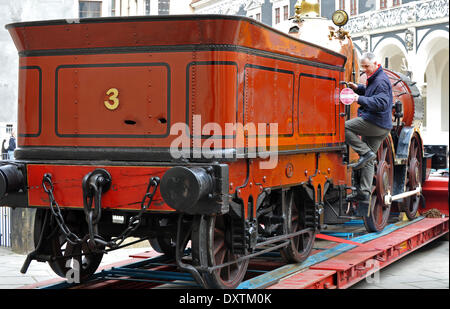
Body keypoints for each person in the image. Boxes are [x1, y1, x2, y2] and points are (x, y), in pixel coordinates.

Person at [345, 52, 393, 203]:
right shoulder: (375, 78)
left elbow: (381, 103)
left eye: (367, 66)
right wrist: (358, 88)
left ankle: (365, 153)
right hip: (381, 125)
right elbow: (372, 93)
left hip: (375, 123)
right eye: (363, 67)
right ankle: (365, 192)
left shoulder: (380, 80)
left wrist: (358, 98)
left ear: (375, 63)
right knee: (369, 160)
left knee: (344, 128)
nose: (365, 69)